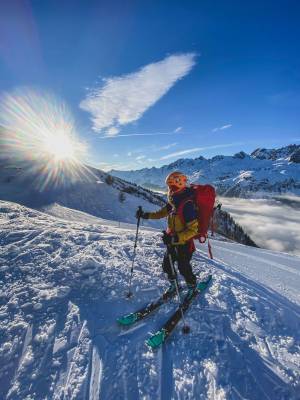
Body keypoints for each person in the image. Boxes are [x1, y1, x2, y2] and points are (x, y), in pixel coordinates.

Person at [136, 171, 198, 295]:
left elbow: (193, 230)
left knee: (183, 268)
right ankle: (174, 285)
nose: (170, 189)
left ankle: (192, 287)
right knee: (167, 266)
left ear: (180, 186)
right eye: (169, 187)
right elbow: (160, 213)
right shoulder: (173, 202)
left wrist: (176, 238)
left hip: (184, 244)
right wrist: (145, 215)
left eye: (173, 187)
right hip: (172, 241)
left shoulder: (187, 205)